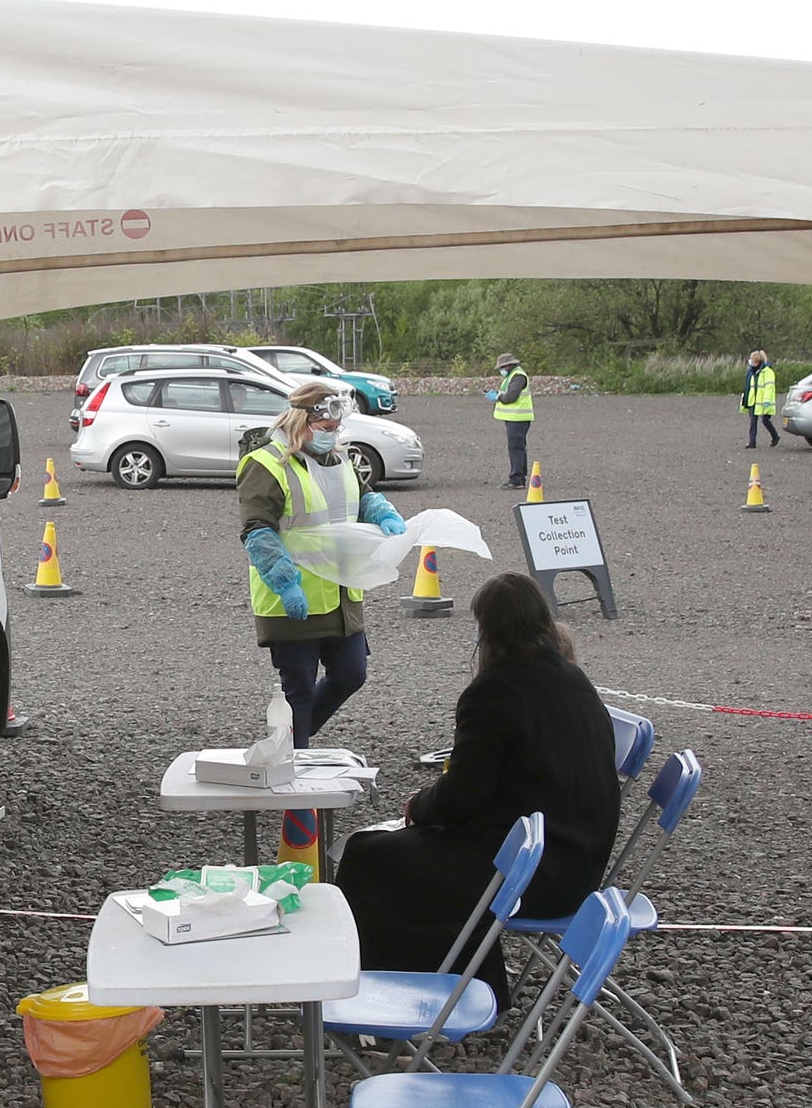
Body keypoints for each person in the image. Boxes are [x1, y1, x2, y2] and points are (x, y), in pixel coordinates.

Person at [335, 572, 621, 1008]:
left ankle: (387, 993)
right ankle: (473, 982)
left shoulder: (493, 692)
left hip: (531, 875)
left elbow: (464, 793)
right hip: (578, 863)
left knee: (367, 854)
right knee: (407, 853)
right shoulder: (574, 679)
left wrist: (420, 806)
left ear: (488, 631)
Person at [238, 377, 406, 750]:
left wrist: (382, 513)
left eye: (336, 429)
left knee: (351, 673)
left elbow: (361, 496)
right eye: (325, 429)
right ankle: (296, 781)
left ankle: (290, 741)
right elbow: (257, 532)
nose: (332, 435)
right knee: (298, 689)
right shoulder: (265, 464)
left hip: (341, 593)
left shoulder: (338, 458)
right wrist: (285, 583)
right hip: (293, 599)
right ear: (301, 422)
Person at [486, 352, 534, 487]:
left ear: (508, 366)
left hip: (518, 417)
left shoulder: (518, 376)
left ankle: (516, 479)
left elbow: (510, 397)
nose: (501, 371)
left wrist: (497, 397)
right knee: (518, 447)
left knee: (516, 449)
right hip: (515, 417)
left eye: (502, 368)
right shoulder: (514, 375)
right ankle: (519, 477)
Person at [742, 349, 780, 448]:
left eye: (751, 360)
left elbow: (769, 387)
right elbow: (747, 387)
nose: (750, 362)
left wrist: (767, 400)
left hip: (763, 402)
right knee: (753, 422)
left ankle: (775, 436)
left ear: (757, 362)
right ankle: (752, 442)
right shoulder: (751, 372)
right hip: (753, 401)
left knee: (765, 421)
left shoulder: (768, 372)